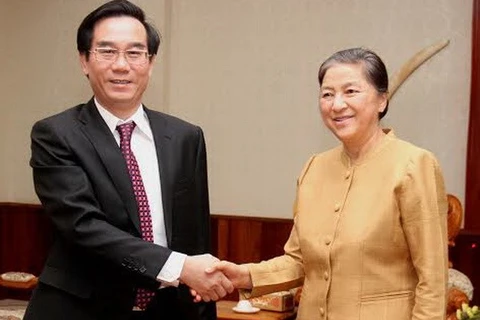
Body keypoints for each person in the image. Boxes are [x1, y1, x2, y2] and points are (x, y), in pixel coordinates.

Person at [201, 48, 448, 320]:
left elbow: (433, 280)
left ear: (382, 100)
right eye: (327, 94)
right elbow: (298, 262)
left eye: (350, 91)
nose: (337, 104)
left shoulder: (413, 164)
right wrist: (244, 275)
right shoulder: (314, 168)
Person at [24, 1, 232, 319]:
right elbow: (83, 226)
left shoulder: (186, 137)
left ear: (150, 62)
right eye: (107, 52)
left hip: (169, 310)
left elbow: (196, 237)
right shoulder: (55, 134)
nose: (122, 65)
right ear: (84, 60)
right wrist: (179, 266)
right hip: (82, 310)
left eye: (135, 53)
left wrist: (201, 298)